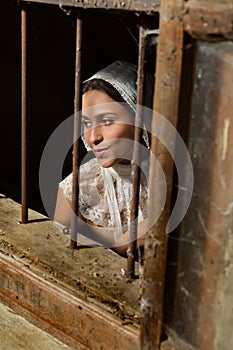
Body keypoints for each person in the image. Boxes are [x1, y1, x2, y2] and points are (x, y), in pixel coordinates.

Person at [54, 60, 153, 257]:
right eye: (86, 123)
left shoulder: (173, 181)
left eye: (107, 121)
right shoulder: (76, 190)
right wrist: (118, 246)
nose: (93, 137)